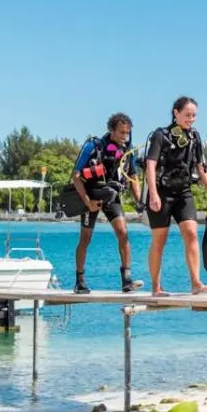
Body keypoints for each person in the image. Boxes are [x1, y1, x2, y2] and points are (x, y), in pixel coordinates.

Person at [144, 96, 207, 296]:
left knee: (191, 233)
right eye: (187, 115)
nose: (191, 119)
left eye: (194, 115)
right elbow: (150, 165)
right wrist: (153, 193)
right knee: (160, 240)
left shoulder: (195, 137)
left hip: (183, 193)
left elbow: (201, 167)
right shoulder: (160, 136)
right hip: (161, 193)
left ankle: (196, 282)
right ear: (175, 113)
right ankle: (156, 287)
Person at [70, 113, 144, 294]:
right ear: (111, 130)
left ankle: (126, 280)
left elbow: (133, 178)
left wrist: (140, 202)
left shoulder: (128, 151)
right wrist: (87, 202)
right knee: (85, 239)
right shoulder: (93, 146)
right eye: (121, 132)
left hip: (111, 197)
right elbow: (76, 176)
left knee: (123, 233)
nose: (125, 136)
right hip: (91, 196)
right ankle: (79, 281)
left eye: (127, 133)